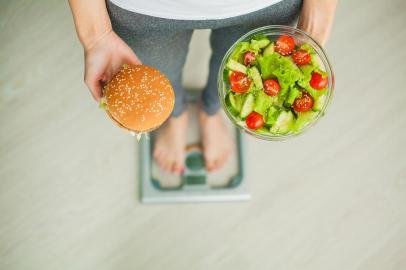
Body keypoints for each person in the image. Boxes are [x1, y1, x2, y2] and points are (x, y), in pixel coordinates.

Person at [69, 0, 337, 175]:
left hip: (266, 5)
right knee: (158, 75)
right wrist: (96, 34)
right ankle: (175, 115)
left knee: (237, 81)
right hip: (142, 9)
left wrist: (317, 16)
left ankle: (211, 111)